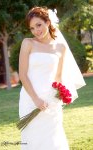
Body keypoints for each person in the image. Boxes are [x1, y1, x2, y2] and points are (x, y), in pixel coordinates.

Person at [18, 6, 86, 150]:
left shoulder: (60, 47)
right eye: (32, 28)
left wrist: (57, 97)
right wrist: (36, 99)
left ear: (48, 22)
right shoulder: (28, 43)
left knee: (53, 139)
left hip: (51, 101)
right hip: (30, 99)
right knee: (32, 138)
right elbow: (23, 74)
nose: (36, 31)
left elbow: (58, 77)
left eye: (39, 25)